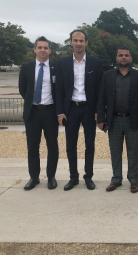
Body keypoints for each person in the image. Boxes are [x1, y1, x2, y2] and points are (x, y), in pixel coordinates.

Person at [56, 30, 103, 191]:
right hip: (71, 109)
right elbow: (59, 90)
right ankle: (73, 177)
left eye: (81, 40)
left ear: (86, 43)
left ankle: (88, 176)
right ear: (70, 42)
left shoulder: (95, 63)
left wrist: (98, 110)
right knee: (71, 145)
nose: (78, 43)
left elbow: (99, 89)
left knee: (90, 144)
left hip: (88, 109)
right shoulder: (63, 63)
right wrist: (60, 112)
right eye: (75, 40)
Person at [97, 47, 138, 193]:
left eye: (126, 55)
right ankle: (116, 179)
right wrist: (101, 118)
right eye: (120, 55)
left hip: (133, 119)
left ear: (131, 58)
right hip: (114, 119)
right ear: (116, 57)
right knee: (115, 151)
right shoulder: (108, 76)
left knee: (133, 152)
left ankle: (134, 180)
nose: (123, 58)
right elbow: (101, 98)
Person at [18, 36, 59, 190]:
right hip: (33, 113)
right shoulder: (26, 67)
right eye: (40, 47)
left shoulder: (56, 68)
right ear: (34, 49)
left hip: (50, 112)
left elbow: (59, 89)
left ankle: (51, 177)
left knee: (52, 146)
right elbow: (23, 89)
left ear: (50, 50)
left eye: (45, 48)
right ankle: (34, 177)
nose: (43, 50)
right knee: (33, 146)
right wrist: (32, 102)